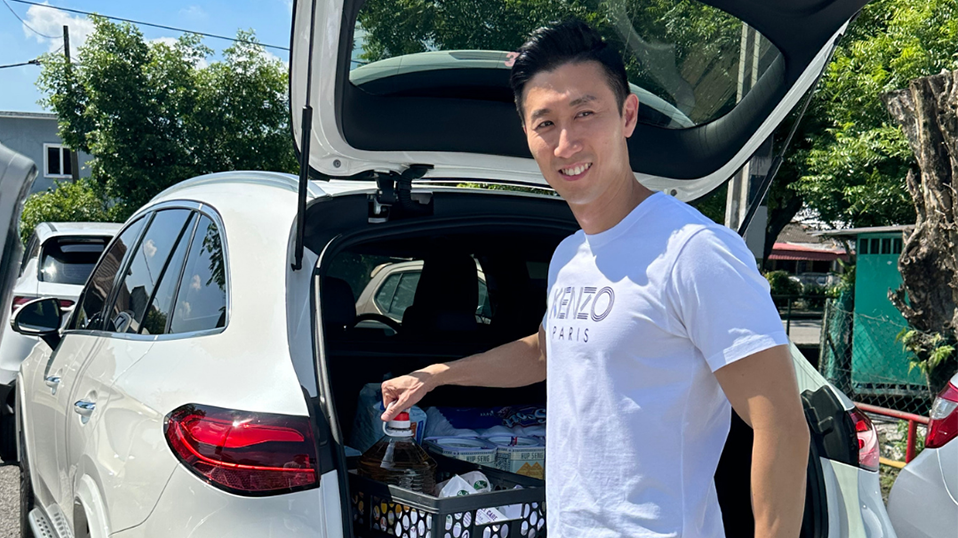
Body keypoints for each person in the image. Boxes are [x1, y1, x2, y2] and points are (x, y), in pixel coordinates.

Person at [380, 19, 810, 538]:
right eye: (546, 123)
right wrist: (439, 374)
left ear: (627, 114)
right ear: (528, 135)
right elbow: (547, 350)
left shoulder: (693, 251)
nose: (566, 143)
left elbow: (781, 424)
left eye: (585, 113)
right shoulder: (570, 255)